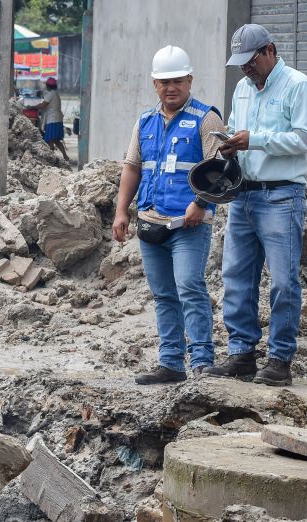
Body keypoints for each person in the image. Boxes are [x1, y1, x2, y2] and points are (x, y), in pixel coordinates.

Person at [203, 25, 307, 386]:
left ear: (269, 50)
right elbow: (239, 129)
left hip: (282, 196)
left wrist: (255, 140)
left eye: (250, 61)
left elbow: (306, 138)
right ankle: (241, 354)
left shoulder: (297, 85)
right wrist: (231, 142)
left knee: (283, 281)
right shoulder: (241, 88)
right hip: (244, 194)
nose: (245, 69)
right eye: (240, 64)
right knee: (236, 277)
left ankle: (280, 359)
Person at [112, 45, 225, 384]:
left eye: (177, 81)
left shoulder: (207, 119)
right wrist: (122, 212)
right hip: (151, 223)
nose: (170, 87)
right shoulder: (145, 121)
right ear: (154, 84)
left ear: (190, 80)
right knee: (163, 294)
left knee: (189, 286)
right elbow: (132, 167)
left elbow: (220, 169)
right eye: (163, 82)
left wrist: (201, 204)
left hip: (189, 224)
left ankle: (203, 361)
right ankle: (171, 363)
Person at [35, 77, 69, 161]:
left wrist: (32, 107)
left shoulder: (50, 94)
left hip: (52, 119)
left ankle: (51, 158)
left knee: (49, 139)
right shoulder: (55, 93)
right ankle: (65, 156)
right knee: (56, 140)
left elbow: (43, 105)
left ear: (48, 86)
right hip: (57, 119)